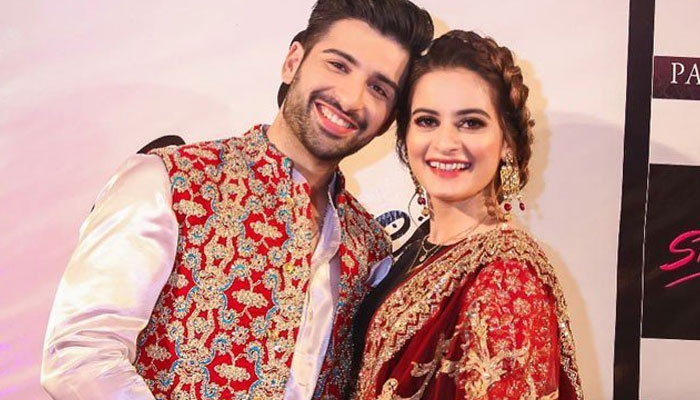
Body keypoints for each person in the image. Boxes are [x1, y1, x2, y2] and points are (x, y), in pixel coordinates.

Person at [40, 1, 433, 399]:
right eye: (338, 65)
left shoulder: (371, 248)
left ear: (388, 119)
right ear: (293, 63)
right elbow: (79, 355)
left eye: (378, 88)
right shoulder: (170, 181)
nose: (350, 98)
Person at [349, 30, 584, 400]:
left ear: (507, 142)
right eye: (427, 120)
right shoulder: (419, 248)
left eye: (471, 123)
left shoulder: (507, 277)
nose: (445, 143)